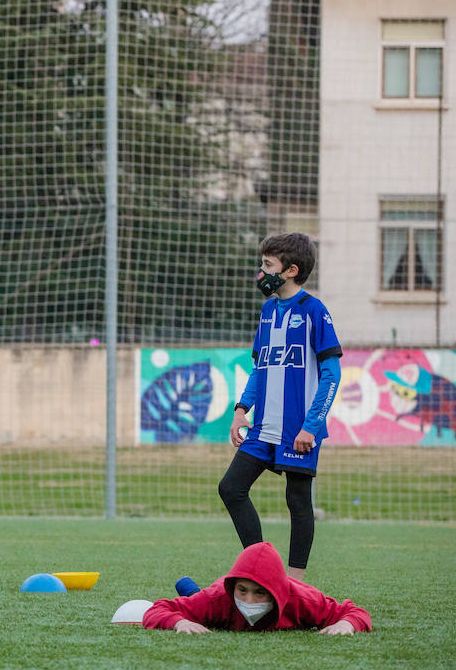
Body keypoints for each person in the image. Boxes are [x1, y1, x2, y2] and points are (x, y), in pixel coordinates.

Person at [223, 232, 341, 581]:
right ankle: (261, 571)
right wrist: (241, 409)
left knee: (298, 500)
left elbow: (331, 375)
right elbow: (261, 366)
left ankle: (295, 582)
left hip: (298, 429)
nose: (261, 272)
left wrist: (312, 426)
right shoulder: (268, 310)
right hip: (264, 426)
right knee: (231, 488)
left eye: (267, 265)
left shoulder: (314, 311)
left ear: (290, 270)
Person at [143, 542, 370, 634]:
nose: (249, 601)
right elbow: (157, 610)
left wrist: (346, 624)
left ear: (276, 592)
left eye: (259, 592)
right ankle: (193, 592)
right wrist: (180, 622)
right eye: (242, 590)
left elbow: (355, 612)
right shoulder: (219, 597)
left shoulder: (302, 599)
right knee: (199, 602)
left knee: (200, 601)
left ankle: (193, 591)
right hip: (213, 598)